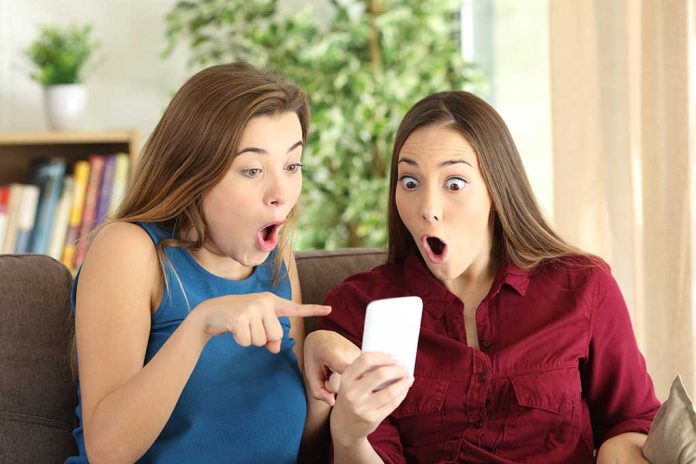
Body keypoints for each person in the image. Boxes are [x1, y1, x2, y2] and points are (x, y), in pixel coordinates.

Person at [310, 91, 661, 463]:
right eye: (410, 182)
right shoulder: (357, 308)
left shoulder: (584, 286)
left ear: (496, 188)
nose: (428, 209)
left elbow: (631, 422)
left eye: (455, 183)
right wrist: (349, 436)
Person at [66, 62, 337, 463]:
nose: (281, 193)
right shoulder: (130, 250)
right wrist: (199, 326)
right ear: (193, 172)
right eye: (252, 170)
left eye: (292, 166)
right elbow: (107, 450)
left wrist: (325, 394)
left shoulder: (277, 261)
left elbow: (297, 450)